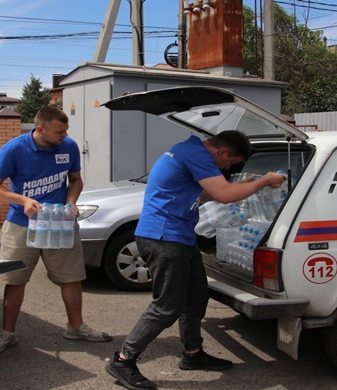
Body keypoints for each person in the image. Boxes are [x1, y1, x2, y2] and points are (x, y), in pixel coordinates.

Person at [106, 130, 286, 390]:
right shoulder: (196, 154)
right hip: (164, 238)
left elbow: (203, 195)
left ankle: (192, 353)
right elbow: (224, 195)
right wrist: (264, 181)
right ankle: (124, 360)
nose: (229, 167)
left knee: (197, 296)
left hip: (180, 236)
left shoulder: (188, 151)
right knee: (167, 306)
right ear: (223, 151)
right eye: (231, 162)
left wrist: (245, 185)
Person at [0, 105, 111, 356]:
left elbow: (75, 179)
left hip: (59, 223)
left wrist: (71, 202)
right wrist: (23, 200)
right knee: (16, 279)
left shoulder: (68, 146)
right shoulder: (14, 149)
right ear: (40, 129)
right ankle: (7, 333)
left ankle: (76, 327)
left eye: (66, 131)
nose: (64, 136)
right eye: (59, 132)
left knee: (71, 277)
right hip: (22, 223)